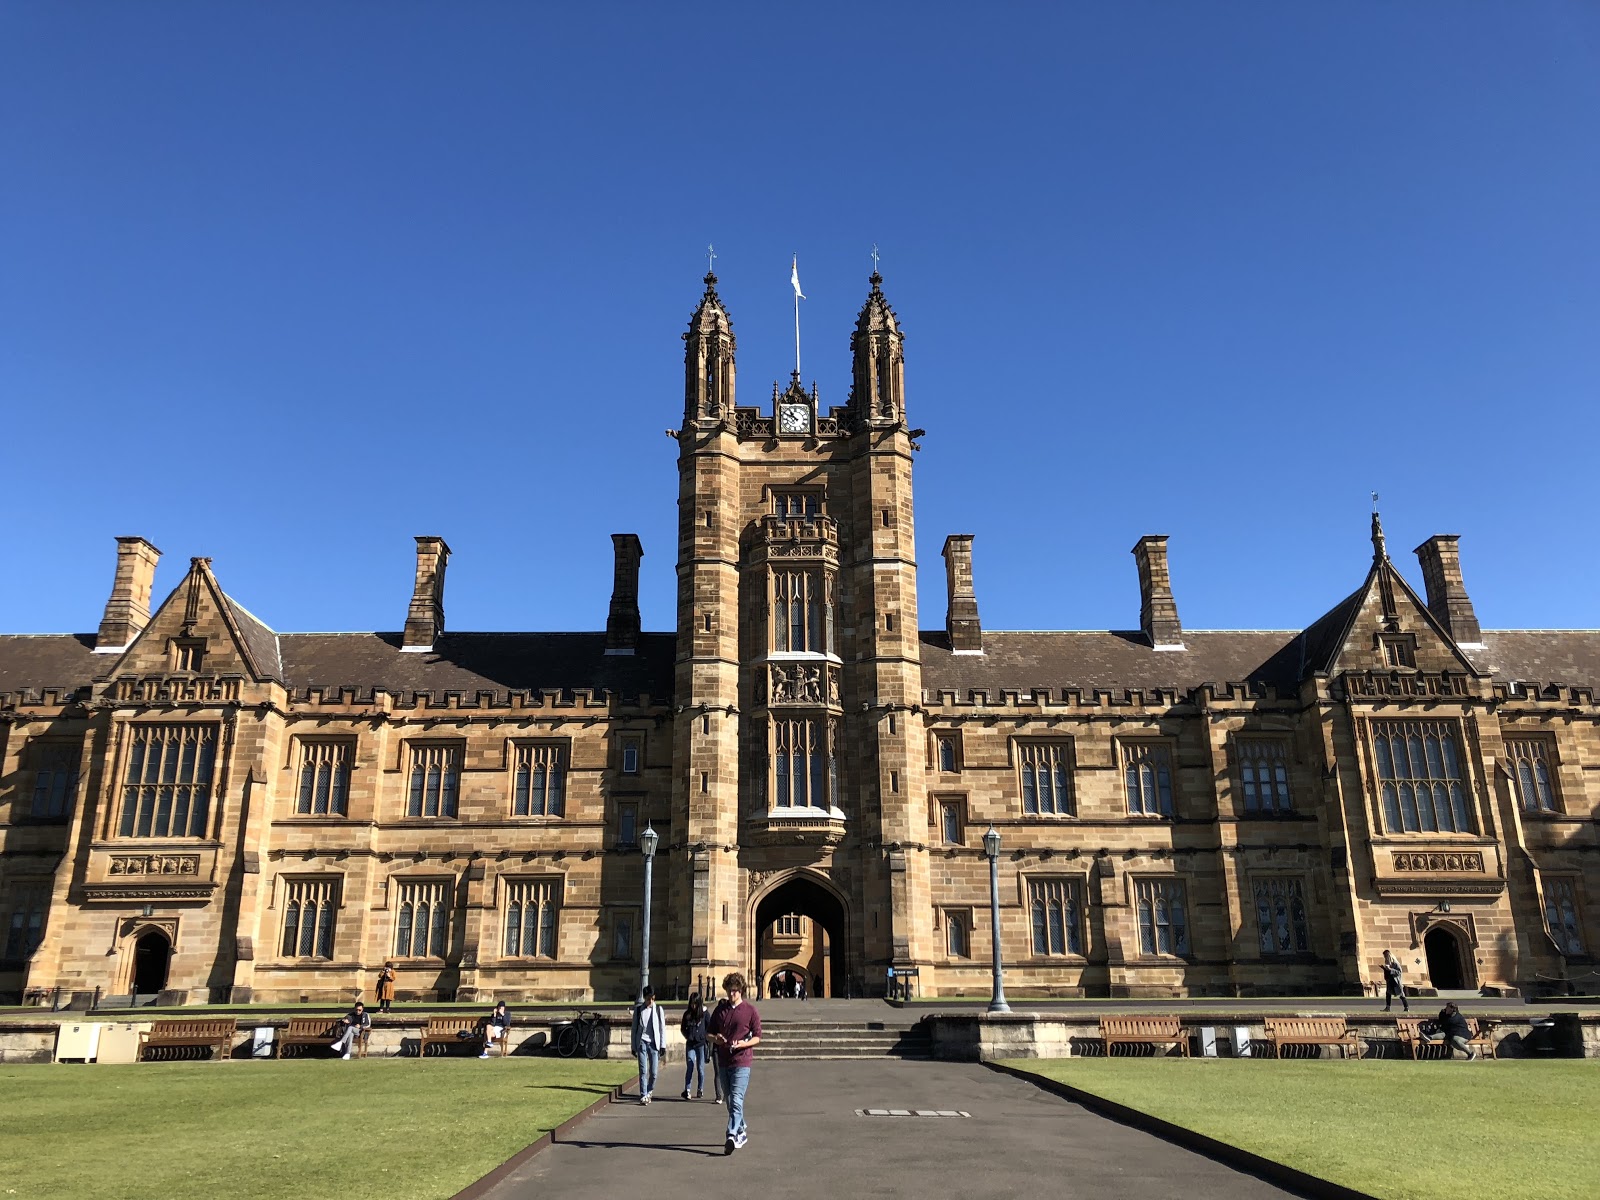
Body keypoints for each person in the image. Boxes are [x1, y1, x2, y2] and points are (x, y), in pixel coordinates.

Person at [706, 971, 762, 1155]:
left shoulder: (750, 1010)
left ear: (742, 991)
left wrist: (745, 1043)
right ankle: (741, 1129)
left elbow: (758, 1036)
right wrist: (717, 1038)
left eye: (735, 991)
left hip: (742, 1061)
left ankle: (730, 1135)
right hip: (724, 1060)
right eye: (730, 990)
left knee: (737, 1100)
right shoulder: (720, 1011)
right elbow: (708, 1034)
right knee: (730, 1102)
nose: (732, 994)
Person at [679, 993, 718, 1101]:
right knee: (690, 1066)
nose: (693, 1006)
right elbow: (683, 1028)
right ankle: (687, 1089)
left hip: (700, 1044)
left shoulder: (705, 1014)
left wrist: (704, 1038)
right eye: (692, 1003)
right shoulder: (687, 1014)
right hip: (690, 1044)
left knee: (700, 1068)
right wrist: (688, 1035)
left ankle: (700, 1088)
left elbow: (710, 1028)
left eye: (695, 1004)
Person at [632, 986, 666, 1104]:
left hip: (654, 1043)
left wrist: (663, 1045)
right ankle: (643, 1094)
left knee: (654, 1072)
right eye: (647, 999)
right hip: (642, 1042)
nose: (649, 1001)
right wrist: (633, 1046)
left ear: (654, 997)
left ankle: (649, 1090)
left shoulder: (658, 1010)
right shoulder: (638, 1010)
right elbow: (634, 1029)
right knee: (643, 1070)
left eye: (651, 999)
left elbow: (662, 1028)